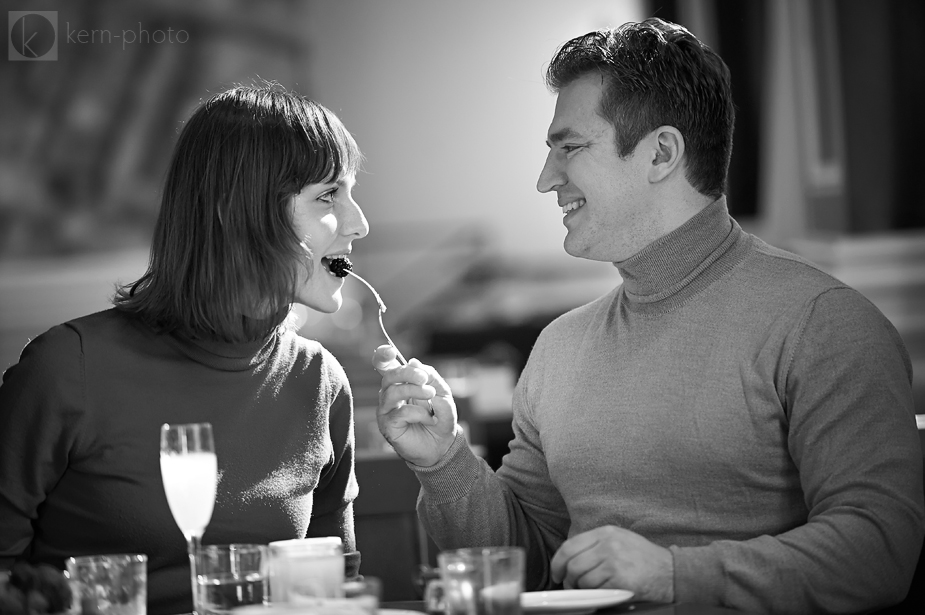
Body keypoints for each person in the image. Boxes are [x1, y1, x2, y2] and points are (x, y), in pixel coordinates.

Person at [372, 18, 924, 614]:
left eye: (571, 147)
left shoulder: (824, 324)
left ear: (661, 152)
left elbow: (880, 550)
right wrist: (445, 460)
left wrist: (673, 575)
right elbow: (530, 559)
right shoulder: (559, 346)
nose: (545, 179)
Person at [0, 84, 369, 615]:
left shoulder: (320, 382)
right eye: (328, 195)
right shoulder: (67, 368)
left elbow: (334, 590)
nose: (360, 223)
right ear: (233, 210)